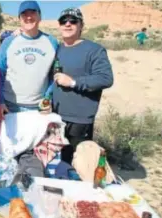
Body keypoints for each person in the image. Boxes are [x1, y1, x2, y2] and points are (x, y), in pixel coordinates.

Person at [52, 7, 114, 164]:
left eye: (73, 21)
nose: (67, 24)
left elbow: (105, 78)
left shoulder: (94, 50)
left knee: (78, 163)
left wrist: (73, 82)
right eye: (63, 21)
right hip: (56, 117)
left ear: (81, 25)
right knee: (56, 162)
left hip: (79, 120)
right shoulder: (57, 49)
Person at [0, 0, 59, 120]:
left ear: (40, 16)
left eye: (33, 13)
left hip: (39, 107)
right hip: (10, 106)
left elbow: (54, 74)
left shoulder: (52, 42)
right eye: (24, 14)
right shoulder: (9, 42)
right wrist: (0, 102)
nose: (28, 17)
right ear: (19, 19)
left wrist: (48, 97)